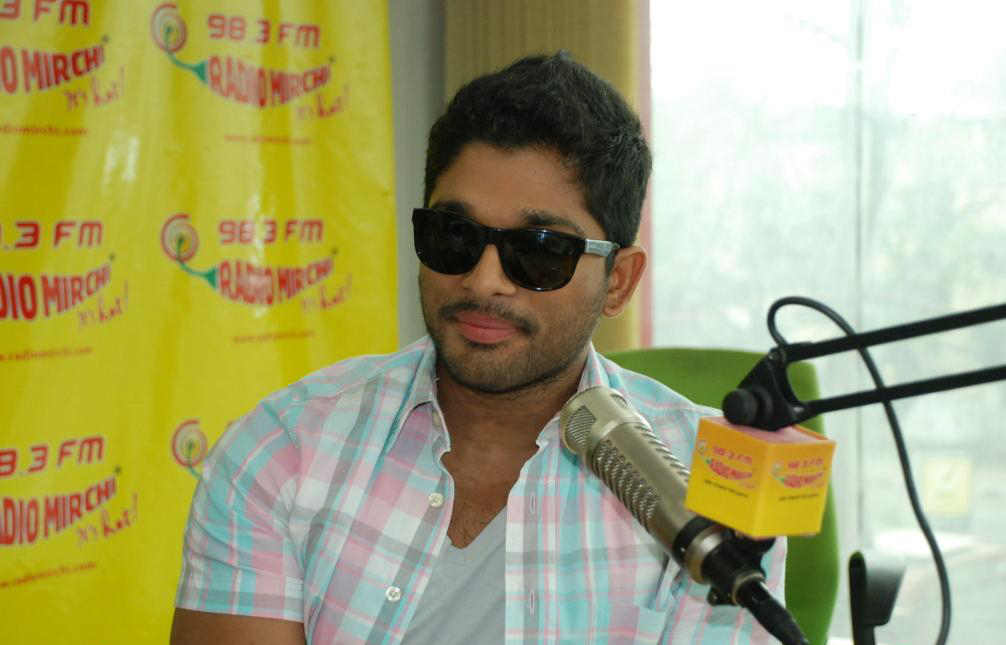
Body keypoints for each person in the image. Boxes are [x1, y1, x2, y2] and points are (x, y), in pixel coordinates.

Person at [170, 52, 786, 645]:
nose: (484, 280)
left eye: (540, 250)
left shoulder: (707, 490)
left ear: (618, 281)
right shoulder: (284, 449)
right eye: (454, 235)